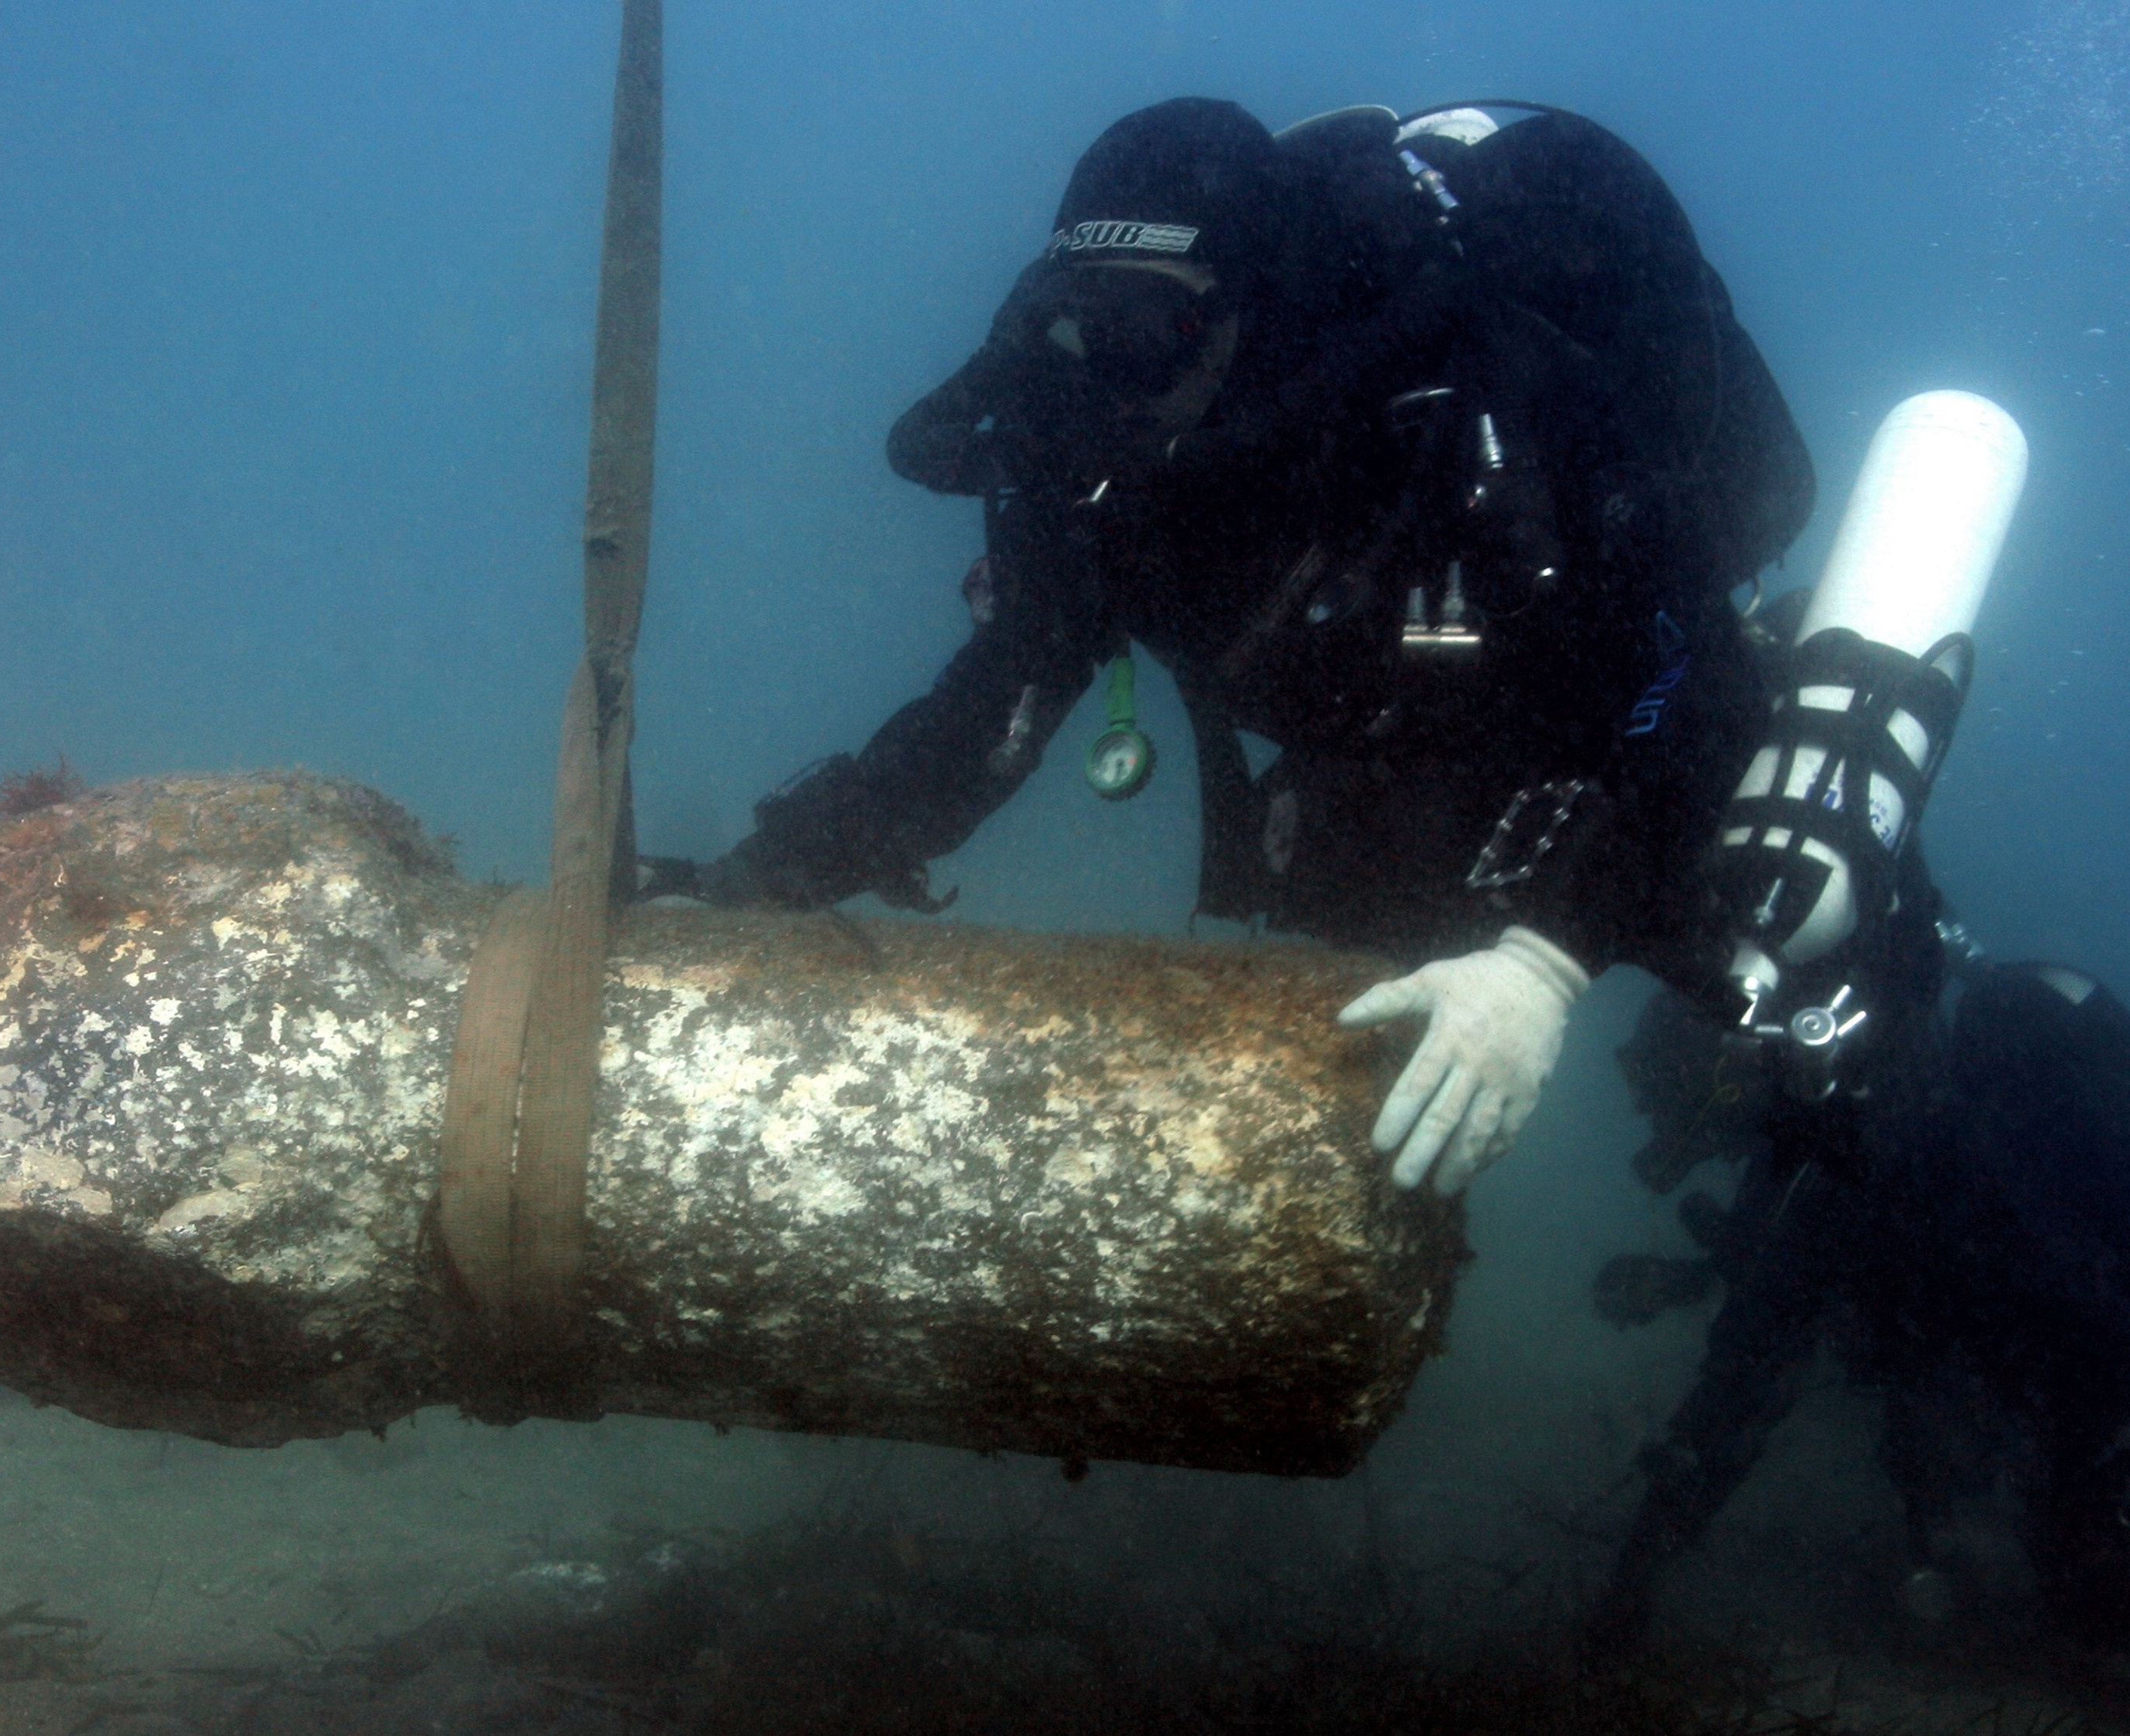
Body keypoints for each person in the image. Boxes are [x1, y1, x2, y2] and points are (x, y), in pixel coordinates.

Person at [644, 97, 1814, 1196]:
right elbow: (986, 711)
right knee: (1350, 958)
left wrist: (1547, 961)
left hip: (1580, 717)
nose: (1113, 377)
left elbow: (1691, 686)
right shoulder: (1093, 462)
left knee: (1756, 926)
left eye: (1153, 330)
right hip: (1361, 746)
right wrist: (758, 880)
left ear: (1250, 307)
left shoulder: (1475, 403)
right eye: (1085, 324)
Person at [1586, 952, 2130, 1726]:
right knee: (2102, 1609)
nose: (1657, 1121)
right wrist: (1705, 1275)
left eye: (1668, 1093)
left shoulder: (1825, 1160)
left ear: (1725, 1077)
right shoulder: (1891, 1110)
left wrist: (1627, 1588)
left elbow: (1740, 1388)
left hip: (2111, 1386)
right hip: (2122, 1354)